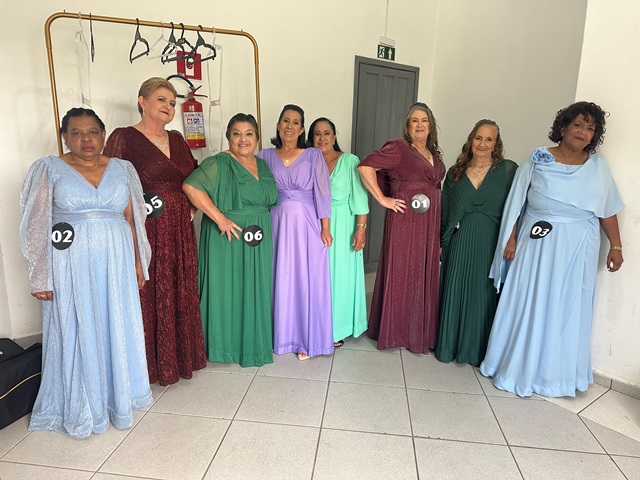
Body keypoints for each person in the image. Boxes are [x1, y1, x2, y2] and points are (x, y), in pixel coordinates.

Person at [19, 108, 152, 438]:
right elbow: (36, 225)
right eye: (76, 133)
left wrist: (139, 262)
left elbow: (133, 219)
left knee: (114, 324)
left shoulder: (122, 168)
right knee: (76, 326)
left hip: (117, 262)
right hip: (70, 264)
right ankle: (82, 405)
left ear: (104, 135)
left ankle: (116, 400)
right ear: (64, 136)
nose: (86, 139)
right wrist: (40, 275)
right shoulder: (49, 168)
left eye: (93, 132)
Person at [480, 101, 624, 397]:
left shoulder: (597, 167)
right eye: (578, 125)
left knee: (566, 307)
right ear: (563, 127)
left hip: (578, 247)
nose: (583, 132)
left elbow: (607, 209)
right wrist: (511, 238)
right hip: (536, 243)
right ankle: (516, 367)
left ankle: (554, 377)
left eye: (590, 128)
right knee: (527, 300)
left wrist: (616, 245)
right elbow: (516, 201)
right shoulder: (538, 159)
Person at [104, 77, 206, 385]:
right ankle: (148, 364)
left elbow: (195, 178)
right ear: (142, 101)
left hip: (179, 230)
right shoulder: (124, 136)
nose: (168, 107)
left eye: (172, 103)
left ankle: (179, 359)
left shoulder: (177, 139)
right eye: (161, 99)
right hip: (144, 227)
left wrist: (192, 207)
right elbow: (110, 182)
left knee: (179, 287)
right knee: (148, 289)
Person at [182, 114, 278, 367]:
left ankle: (251, 344)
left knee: (254, 287)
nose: (243, 139)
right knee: (227, 288)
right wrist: (220, 219)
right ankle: (223, 346)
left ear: (257, 138)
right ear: (228, 138)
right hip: (228, 235)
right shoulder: (219, 162)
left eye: (249, 134)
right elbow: (191, 187)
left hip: (257, 236)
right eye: (236, 134)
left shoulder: (262, 164)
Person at [358, 102, 446, 353]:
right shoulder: (398, 148)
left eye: (424, 120)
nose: (419, 125)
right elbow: (365, 167)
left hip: (429, 223)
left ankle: (418, 331)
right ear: (407, 126)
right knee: (401, 272)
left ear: (431, 126)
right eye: (414, 120)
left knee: (421, 273)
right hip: (405, 221)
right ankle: (396, 331)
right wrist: (383, 199)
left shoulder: (434, 155)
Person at [436, 120, 517, 366]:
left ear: (496, 144)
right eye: (478, 138)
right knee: (455, 290)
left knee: (483, 294)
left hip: (491, 241)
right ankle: (449, 346)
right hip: (459, 241)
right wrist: (442, 242)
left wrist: (512, 238)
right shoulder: (455, 172)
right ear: (471, 140)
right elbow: (445, 210)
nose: (482, 144)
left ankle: (477, 351)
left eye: (488, 139)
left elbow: (516, 208)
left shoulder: (508, 170)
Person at [258, 104, 333, 360]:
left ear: (302, 129)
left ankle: (305, 339)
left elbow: (323, 192)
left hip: (307, 225)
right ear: (278, 125)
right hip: (276, 224)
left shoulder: (313, 155)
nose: (290, 126)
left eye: (296, 122)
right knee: (279, 278)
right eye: (286, 121)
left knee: (304, 279)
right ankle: (279, 336)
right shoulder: (265, 155)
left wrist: (325, 228)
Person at [308, 117, 369, 347]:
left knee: (339, 277)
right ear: (311, 138)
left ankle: (336, 328)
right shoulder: (307, 161)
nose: (322, 138)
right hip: (314, 223)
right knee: (316, 276)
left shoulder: (349, 161)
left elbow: (360, 198)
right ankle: (316, 324)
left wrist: (360, 229)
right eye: (317, 133)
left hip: (343, 224)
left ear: (334, 137)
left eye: (327, 133)